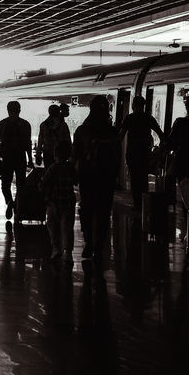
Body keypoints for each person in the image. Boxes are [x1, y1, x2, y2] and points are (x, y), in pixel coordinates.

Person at [73, 96, 120, 260]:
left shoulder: (82, 130)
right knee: (103, 211)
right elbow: (118, 156)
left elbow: (75, 154)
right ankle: (99, 244)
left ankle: (88, 242)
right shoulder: (113, 131)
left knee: (86, 208)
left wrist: (74, 174)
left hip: (87, 175)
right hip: (106, 177)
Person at [119, 96, 164, 210]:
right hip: (145, 154)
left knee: (134, 179)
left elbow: (121, 136)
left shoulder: (129, 118)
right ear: (143, 106)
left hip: (132, 153)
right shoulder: (149, 118)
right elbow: (160, 133)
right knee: (144, 179)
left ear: (133, 105)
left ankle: (137, 203)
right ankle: (144, 203)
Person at [0, 101, 33, 217]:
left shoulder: (2, 124)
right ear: (19, 110)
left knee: (5, 185)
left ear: (8, 110)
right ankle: (18, 208)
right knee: (21, 185)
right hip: (20, 157)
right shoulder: (25, 124)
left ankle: (9, 202)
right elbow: (28, 143)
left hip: (7, 158)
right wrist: (30, 159)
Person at [40, 142, 78, 262]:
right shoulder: (70, 167)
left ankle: (56, 248)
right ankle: (68, 252)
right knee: (67, 228)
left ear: (55, 154)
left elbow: (44, 183)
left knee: (52, 225)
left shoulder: (53, 168)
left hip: (54, 202)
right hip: (68, 202)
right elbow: (76, 181)